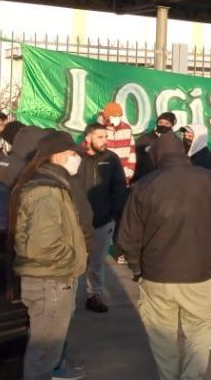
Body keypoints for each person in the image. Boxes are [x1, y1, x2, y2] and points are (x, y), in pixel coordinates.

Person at [117, 131, 211, 380]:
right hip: (199, 273)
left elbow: (127, 237)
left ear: (158, 156)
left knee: (163, 338)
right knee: (199, 330)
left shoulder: (143, 186)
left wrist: (137, 269)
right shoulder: (208, 179)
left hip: (155, 276)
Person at [10, 131, 87, 380]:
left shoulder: (52, 184)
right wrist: (73, 259)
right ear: (59, 156)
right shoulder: (46, 191)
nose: (77, 158)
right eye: (73, 154)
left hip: (49, 281)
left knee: (44, 353)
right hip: (50, 283)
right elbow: (43, 245)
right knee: (43, 356)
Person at [76, 123, 127, 314]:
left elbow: (120, 188)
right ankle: (67, 300)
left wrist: (113, 215)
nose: (105, 140)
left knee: (97, 263)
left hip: (102, 221)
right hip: (76, 223)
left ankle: (93, 295)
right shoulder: (74, 156)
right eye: (100, 137)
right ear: (88, 137)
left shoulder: (111, 159)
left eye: (106, 137)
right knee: (72, 262)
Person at [133, 112, 176, 182]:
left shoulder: (175, 141)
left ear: (172, 125)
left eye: (167, 123)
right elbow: (136, 157)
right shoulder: (145, 138)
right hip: (146, 178)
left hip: (167, 179)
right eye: (160, 122)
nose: (163, 125)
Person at [100, 102, 136, 183]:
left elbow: (132, 152)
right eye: (114, 116)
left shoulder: (127, 129)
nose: (118, 118)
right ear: (107, 116)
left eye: (120, 115)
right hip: (102, 176)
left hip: (122, 176)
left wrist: (129, 172)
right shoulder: (99, 130)